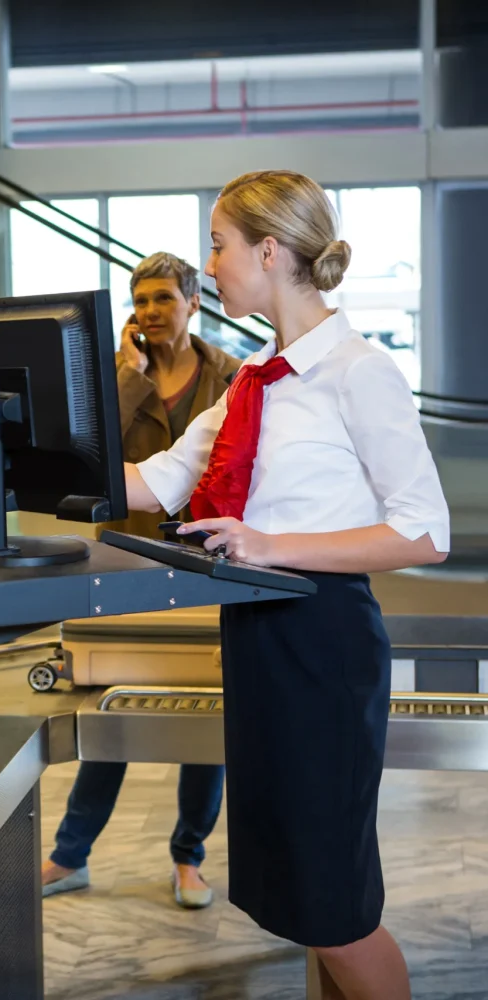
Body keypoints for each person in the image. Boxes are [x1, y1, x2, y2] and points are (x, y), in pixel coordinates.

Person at [124, 170, 449, 999]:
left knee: (336, 908)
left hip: (323, 644)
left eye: (218, 245)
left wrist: (271, 546)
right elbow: (155, 482)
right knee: (304, 897)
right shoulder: (252, 379)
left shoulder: (357, 371)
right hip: (258, 640)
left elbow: (425, 530)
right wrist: (4, 447)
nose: (211, 265)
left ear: (268, 252)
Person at [42, 252, 237, 908]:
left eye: (163, 298)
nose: (151, 311)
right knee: (114, 704)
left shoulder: (231, 376)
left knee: (204, 712)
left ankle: (188, 856)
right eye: (141, 300)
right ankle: (71, 855)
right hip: (126, 558)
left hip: (205, 562)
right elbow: (89, 453)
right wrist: (128, 374)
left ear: (194, 302)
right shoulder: (114, 374)